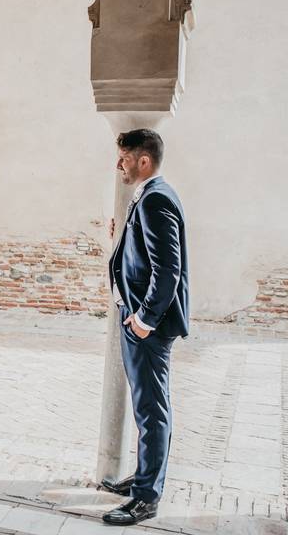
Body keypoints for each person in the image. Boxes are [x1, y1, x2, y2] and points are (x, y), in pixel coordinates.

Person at [100, 129, 189, 526]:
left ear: (143, 161)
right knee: (145, 406)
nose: (118, 165)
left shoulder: (155, 199)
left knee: (152, 409)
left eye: (123, 158)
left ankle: (146, 498)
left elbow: (168, 270)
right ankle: (143, 476)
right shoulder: (150, 195)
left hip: (146, 325)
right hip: (136, 318)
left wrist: (145, 319)